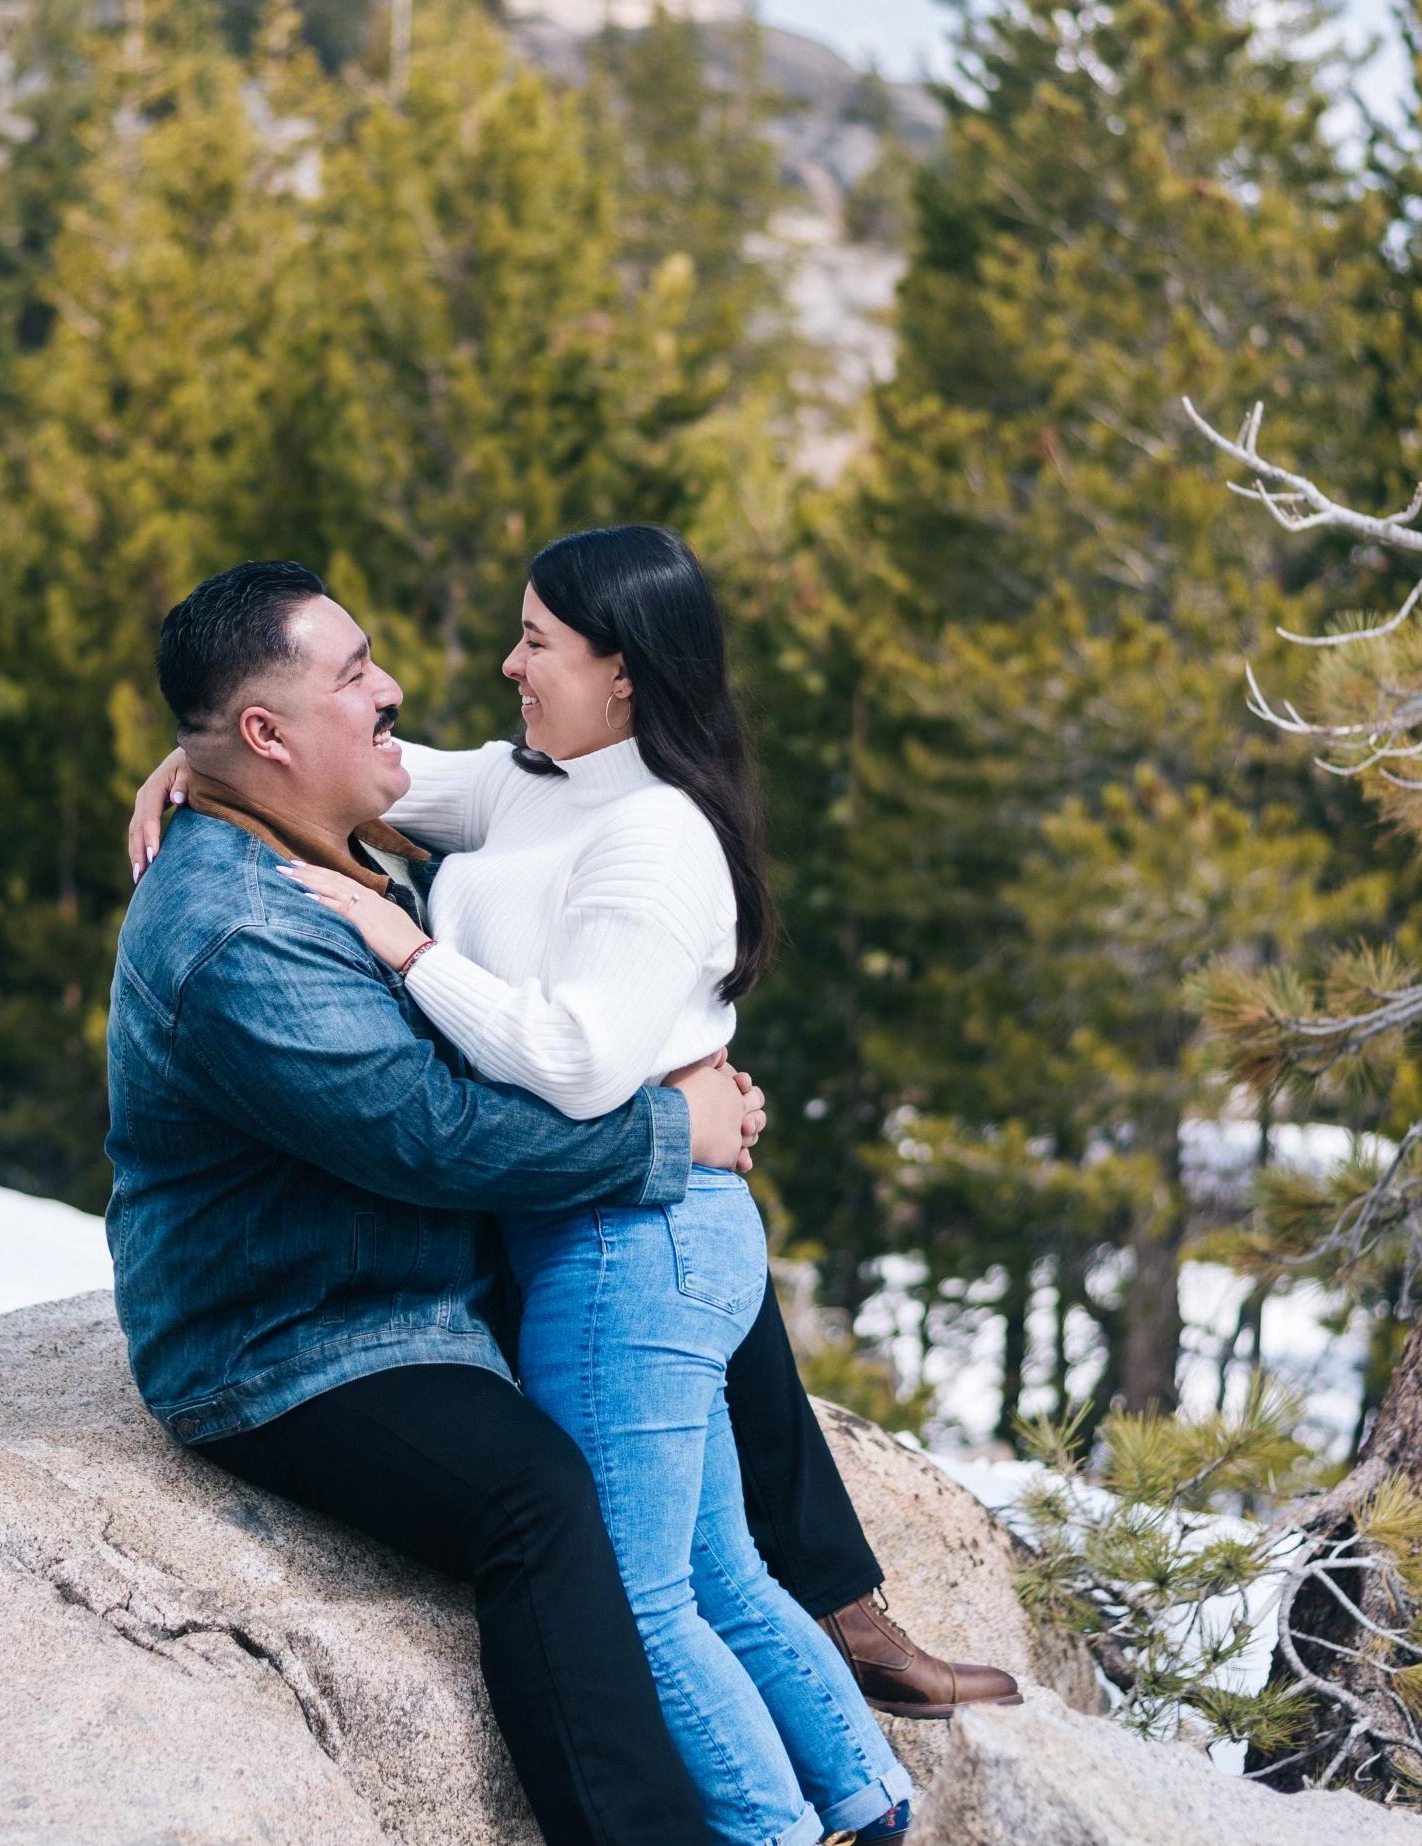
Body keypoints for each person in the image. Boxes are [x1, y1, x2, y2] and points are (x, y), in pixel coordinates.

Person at [114, 559, 1018, 1844]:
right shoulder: (242, 926)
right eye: (357, 672)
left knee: (688, 1337)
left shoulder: (535, 816)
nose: (403, 687)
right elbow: (432, 1137)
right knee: (544, 1496)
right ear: (270, 734)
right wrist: (678, 1127)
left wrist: (207, 763)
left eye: (532, 639)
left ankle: (842, 1655)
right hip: (292, 1337)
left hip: (427, 1273)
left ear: (622, 673)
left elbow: (363, 769)